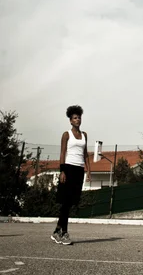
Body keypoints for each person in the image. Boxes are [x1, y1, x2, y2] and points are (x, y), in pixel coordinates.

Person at [51, 105, 91, 245]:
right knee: (65, 201)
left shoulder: (84, 135)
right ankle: (64, 233)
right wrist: (62, 171)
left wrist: (89, 170)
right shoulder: (66, 134)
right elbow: (62, 153)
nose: (77, 120)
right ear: (70, 120)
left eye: (79, 117)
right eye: (75, 118)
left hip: (79, 170)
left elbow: (85, 154)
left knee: (71, 202)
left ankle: (57, 231)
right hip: (68, 168)